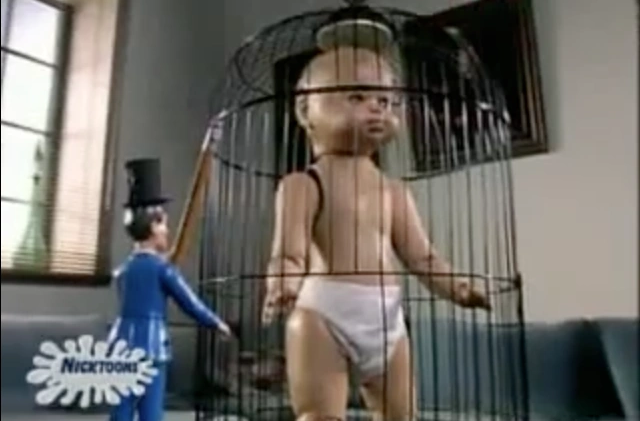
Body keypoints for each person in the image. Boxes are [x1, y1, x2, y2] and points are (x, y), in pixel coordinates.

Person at [261, 33, 490, 420]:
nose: (376, 108)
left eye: (385, 101)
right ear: (305, 111)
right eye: (357, 97)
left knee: (401, 414)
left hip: (386, 318)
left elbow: (423, 256)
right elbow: (289, 251)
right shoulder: (303, 184)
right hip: (323, 312)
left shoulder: (394, 191)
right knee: (319, 415)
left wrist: (458, 288)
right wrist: (283, 281)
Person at [108, 158, 232, 421]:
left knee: (121, 408)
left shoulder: (122, 271)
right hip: (151, 346)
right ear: (153, 226)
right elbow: (189, 303)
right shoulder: (162, 270)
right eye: (164, 223)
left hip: (120, 345)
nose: (167, 230)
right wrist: (216, 323)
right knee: (151, 411)